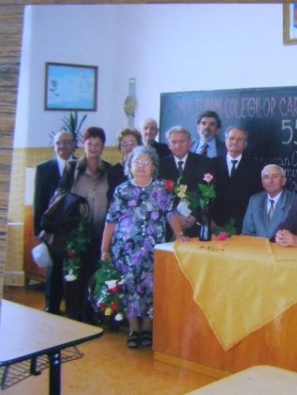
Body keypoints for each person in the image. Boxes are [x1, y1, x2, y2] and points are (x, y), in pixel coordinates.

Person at [101, 146, 188, 349]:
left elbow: (171, 212)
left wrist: (178, 234)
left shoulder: (161, 188)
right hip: (125, 251)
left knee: (151, 288)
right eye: (137, 162)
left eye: (146, 162)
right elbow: (111, 221)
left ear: (153, 166)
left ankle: (148, 327)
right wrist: (104, 249)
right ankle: (134, 328)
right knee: (129, 288)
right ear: (130, 166)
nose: (141, 166)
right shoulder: (122, 190)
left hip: (152, 250)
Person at [61, 126, 111, 322]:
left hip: (99, 232)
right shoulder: (72, 168)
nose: (93, 147)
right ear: (83, 145)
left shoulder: (108, 170)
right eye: (90, 143)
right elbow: (61, 196)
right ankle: (73, 315)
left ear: (103, 147)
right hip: (75, 234)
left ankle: (90, 315)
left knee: (93, 274)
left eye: (98, 144)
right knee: (75, 275)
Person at [33, 131, 77, 314]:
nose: (63, 146)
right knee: (53, 272)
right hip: (52, 231)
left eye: (67, 142)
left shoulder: (81, 166)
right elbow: (39, 201)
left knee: (74, 271)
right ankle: (51, 309)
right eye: (59, 142)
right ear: (54, 145)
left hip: (74, 229)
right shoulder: (44, 169)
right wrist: (38, 231)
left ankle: (74, 310)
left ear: (74, 145)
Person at [159, 125, 215, 239]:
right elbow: (160, 196)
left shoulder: (205, 163)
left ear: (189, 143)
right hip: (169, 226)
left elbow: (209, 192)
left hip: (196, 223)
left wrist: (195, 214)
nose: (178, 145)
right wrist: (176, 217)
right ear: (168, 144)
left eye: (182, 141)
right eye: (174, 142)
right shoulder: (160, 165)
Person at [212, 126, 262, 233]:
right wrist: (208, 219)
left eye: (239, 139)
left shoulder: (255, 167)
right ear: (226, 141)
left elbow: (258, 197)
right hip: (215, 224)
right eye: (231, 138)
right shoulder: (212, 164)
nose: (235, 142)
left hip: (244, 225)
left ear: (245, 144)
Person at [241, 164, 297, 238]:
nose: (270, 181)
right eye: (266, 177)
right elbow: (247, 233)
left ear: (283, 181)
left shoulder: (296, 202)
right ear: (262, 182)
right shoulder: (255, 200)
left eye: (274, 177)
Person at [108, 127, 142, 201]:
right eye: (124, 144)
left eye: (132, 144)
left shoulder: (144, 168)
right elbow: (111, 197)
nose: (128, 147)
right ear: (120, 147)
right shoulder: (113, 171)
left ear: (139, 146)